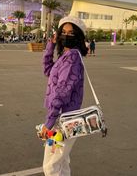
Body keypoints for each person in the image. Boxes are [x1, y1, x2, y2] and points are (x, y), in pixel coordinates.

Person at [39, 15, 87, 176]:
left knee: (51, 166)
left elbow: (62, 91)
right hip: (61, 118)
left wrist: (49, 122)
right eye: (63, 32)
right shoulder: (65, 56)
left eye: (71, 33)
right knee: (62, 163)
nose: (66, 36)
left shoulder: (72, 57)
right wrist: (50, 46)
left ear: (78, 36)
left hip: (63, 119)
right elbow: (47, 70)